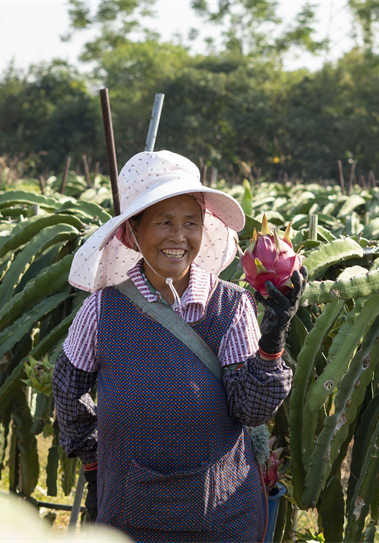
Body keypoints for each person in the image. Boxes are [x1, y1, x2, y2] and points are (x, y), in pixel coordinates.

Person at [52, 150, 306, 542]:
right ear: (132, 232)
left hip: (223, 516)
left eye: (191, 222)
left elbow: (251, 410)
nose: (179, 237)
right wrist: (93, 460)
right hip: (128, 515)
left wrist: (272, 343)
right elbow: (68, 390)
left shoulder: (232, 306)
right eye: (164, 222)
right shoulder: (102, 309)